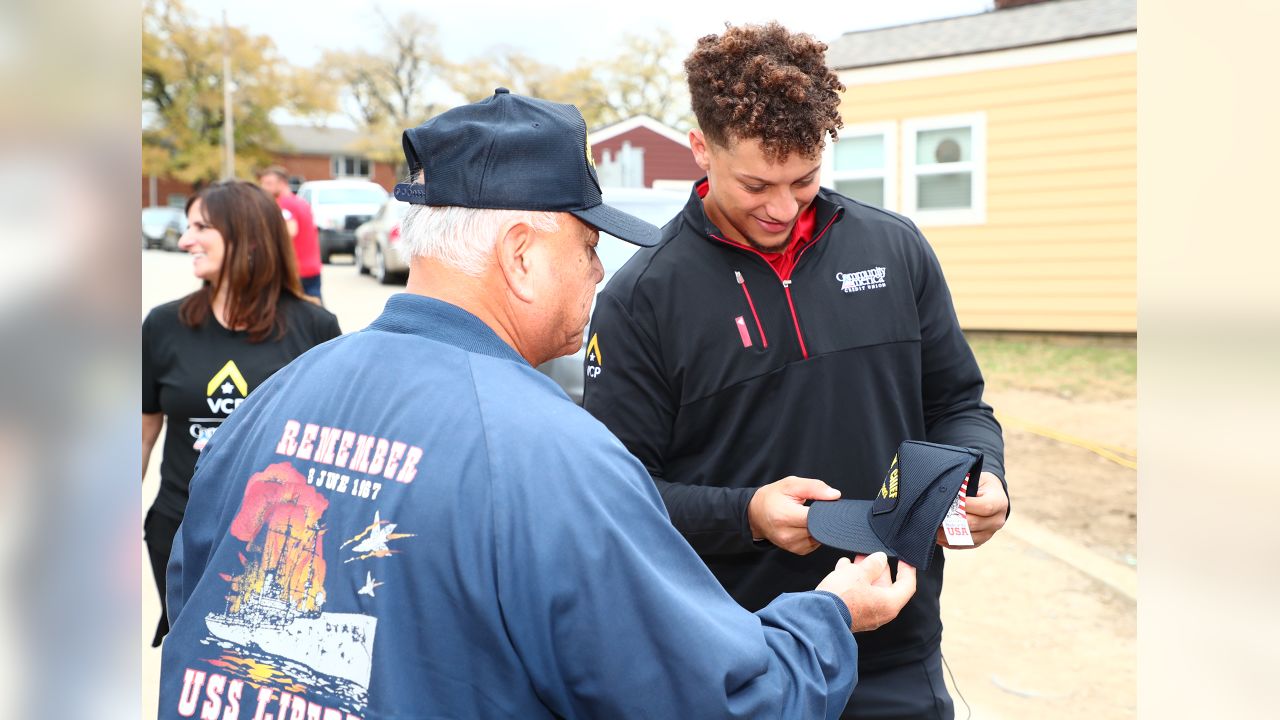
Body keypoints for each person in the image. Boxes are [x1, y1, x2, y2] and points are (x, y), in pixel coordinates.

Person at [158, 89, 917, 720]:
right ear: (521, 254)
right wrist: (831, 618)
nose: (597, 273)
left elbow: (189, 593)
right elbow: (711, 700)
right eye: (587, 247)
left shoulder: (278, 398)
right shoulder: (550, 452)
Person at [581, 23, 1009, 720]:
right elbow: (614, 501)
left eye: (804, 180)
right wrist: (744, 514)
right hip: (736, 660)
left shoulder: (896, 250)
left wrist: (984, 474)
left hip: (897, 650)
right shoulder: (641, 301)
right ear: (700, 150)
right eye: (756, 184)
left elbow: (959, 403)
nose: (782, 208)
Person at [142, 181, 341, 648]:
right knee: (189, 663)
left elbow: (332, 444)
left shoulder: (315, 328)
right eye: (187, 226)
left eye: (201, 227)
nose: (185, 240)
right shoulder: (164, 325)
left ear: (249, 238)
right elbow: (144, 429)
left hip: (271, 543)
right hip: (179, 532)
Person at [257, 166, 323, 301]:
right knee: (315, 312)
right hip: (312, 267)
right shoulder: (301, 202)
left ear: (281, 183)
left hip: (295, 270)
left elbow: (290, 230)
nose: (263, 188)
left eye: (268, 183)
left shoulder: (283, 204)